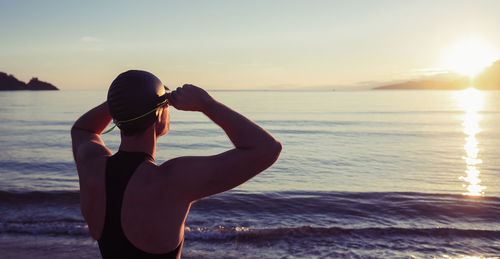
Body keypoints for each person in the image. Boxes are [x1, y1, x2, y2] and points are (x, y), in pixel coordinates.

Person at [71, 70, 282, 258]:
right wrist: (207, 104)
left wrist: (123, 101)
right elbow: (267, 149)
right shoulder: (170, 181)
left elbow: (82, 130)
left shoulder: (92, 165)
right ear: (158, 112)